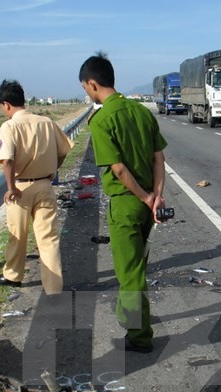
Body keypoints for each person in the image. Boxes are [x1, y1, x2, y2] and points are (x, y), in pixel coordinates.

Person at [79, 52, 168, 353]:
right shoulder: (142, 112)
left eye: (85, 88)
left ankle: (140, 336)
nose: (87, 93)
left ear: (92, 84)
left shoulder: (102, 119)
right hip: (146, 204)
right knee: (136, 266)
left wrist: (143, 197)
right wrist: (155, 196)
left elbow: (117, 168)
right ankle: (128, 315)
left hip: (126, 202)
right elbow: (159, 159)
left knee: (129, 273)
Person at [0, 79, 73, 295]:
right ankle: (54, 288)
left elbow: (6, 160)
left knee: (18, 235)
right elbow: (63, 151)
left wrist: (11, 187)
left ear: (6, 104)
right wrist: (52, 171)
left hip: (21, 187)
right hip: (45, 185)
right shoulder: (46, 122)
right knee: (49, 238)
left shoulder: (9, 126)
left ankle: (13, 276)